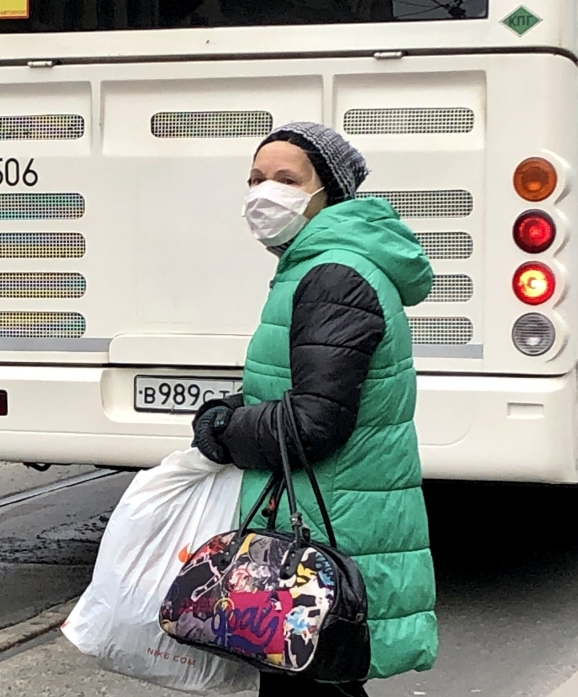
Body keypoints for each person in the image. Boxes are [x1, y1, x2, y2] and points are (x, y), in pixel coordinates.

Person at [191, 122, 438, 697]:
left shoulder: (334, 274)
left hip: (329, 531)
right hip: (334, 519)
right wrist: (241, 408)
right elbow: (312, 388)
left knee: (315, 684)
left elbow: (314, 421)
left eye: (285, 179)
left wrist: (226, 429)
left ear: (329, 192)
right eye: (254, 178)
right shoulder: (322, 264)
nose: (263, 193)